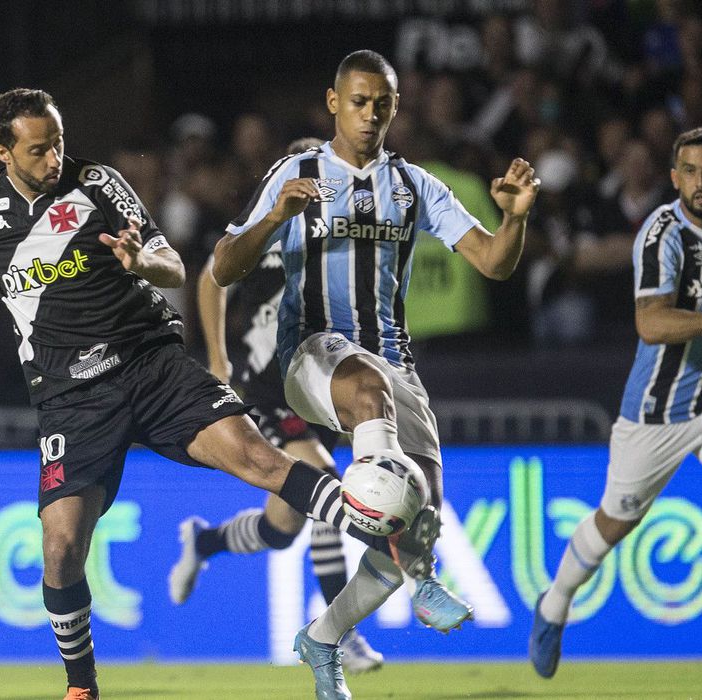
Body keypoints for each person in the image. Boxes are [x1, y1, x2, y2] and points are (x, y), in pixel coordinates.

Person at [0, 88, 445, 700]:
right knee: (60, 547)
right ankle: (82, 687)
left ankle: (399, 546)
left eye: (57, 141)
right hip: (70, 397)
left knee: (261, 462)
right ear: (3, 153)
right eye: (38, 149)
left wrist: (139, 262)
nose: (55, 156)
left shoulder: (97, 184)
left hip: (151, 367)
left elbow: (174, 266)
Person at [212, 50, 539, 699]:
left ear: (394, 108)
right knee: (368, 399)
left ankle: (324, 639)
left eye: (381, 104)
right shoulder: (298, 171)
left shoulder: (414, 185)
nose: (369, 114)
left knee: (415, 518)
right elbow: (223, 266)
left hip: (396, 366)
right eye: (358, 101)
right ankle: (415, 570)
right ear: (334, 103)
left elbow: (494, 263)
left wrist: (517, 216)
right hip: (312, 354)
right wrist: (275, 217)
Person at [528, 127, 702, 688]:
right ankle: (554, 603)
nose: (701, 181)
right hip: (657, 412)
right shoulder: (661, 235)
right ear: (675, 179)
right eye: (690, 171)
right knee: (614, 523)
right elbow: (651, 323)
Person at [169, 137, 384, 675]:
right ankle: (342, 635)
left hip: (315, 388)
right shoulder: (265, 228)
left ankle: (206, 540)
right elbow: (210, 280)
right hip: (263, 385)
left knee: (283, 526)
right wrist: (217, 358)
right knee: (324, 477)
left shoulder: (338, 241)